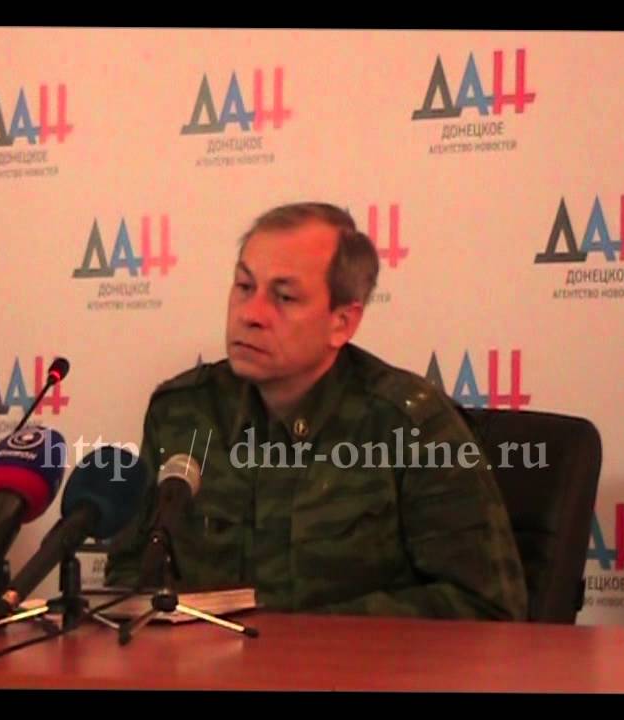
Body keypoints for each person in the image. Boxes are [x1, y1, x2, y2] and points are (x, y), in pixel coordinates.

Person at [105, 202, 527, 621]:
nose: (251, 314)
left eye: (284, 297)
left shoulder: (409, 426)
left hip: (350, 664)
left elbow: (487, 607)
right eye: (244, 287)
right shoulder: (183, 414)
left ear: (342, 322)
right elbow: (129, 581)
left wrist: (304, 636)